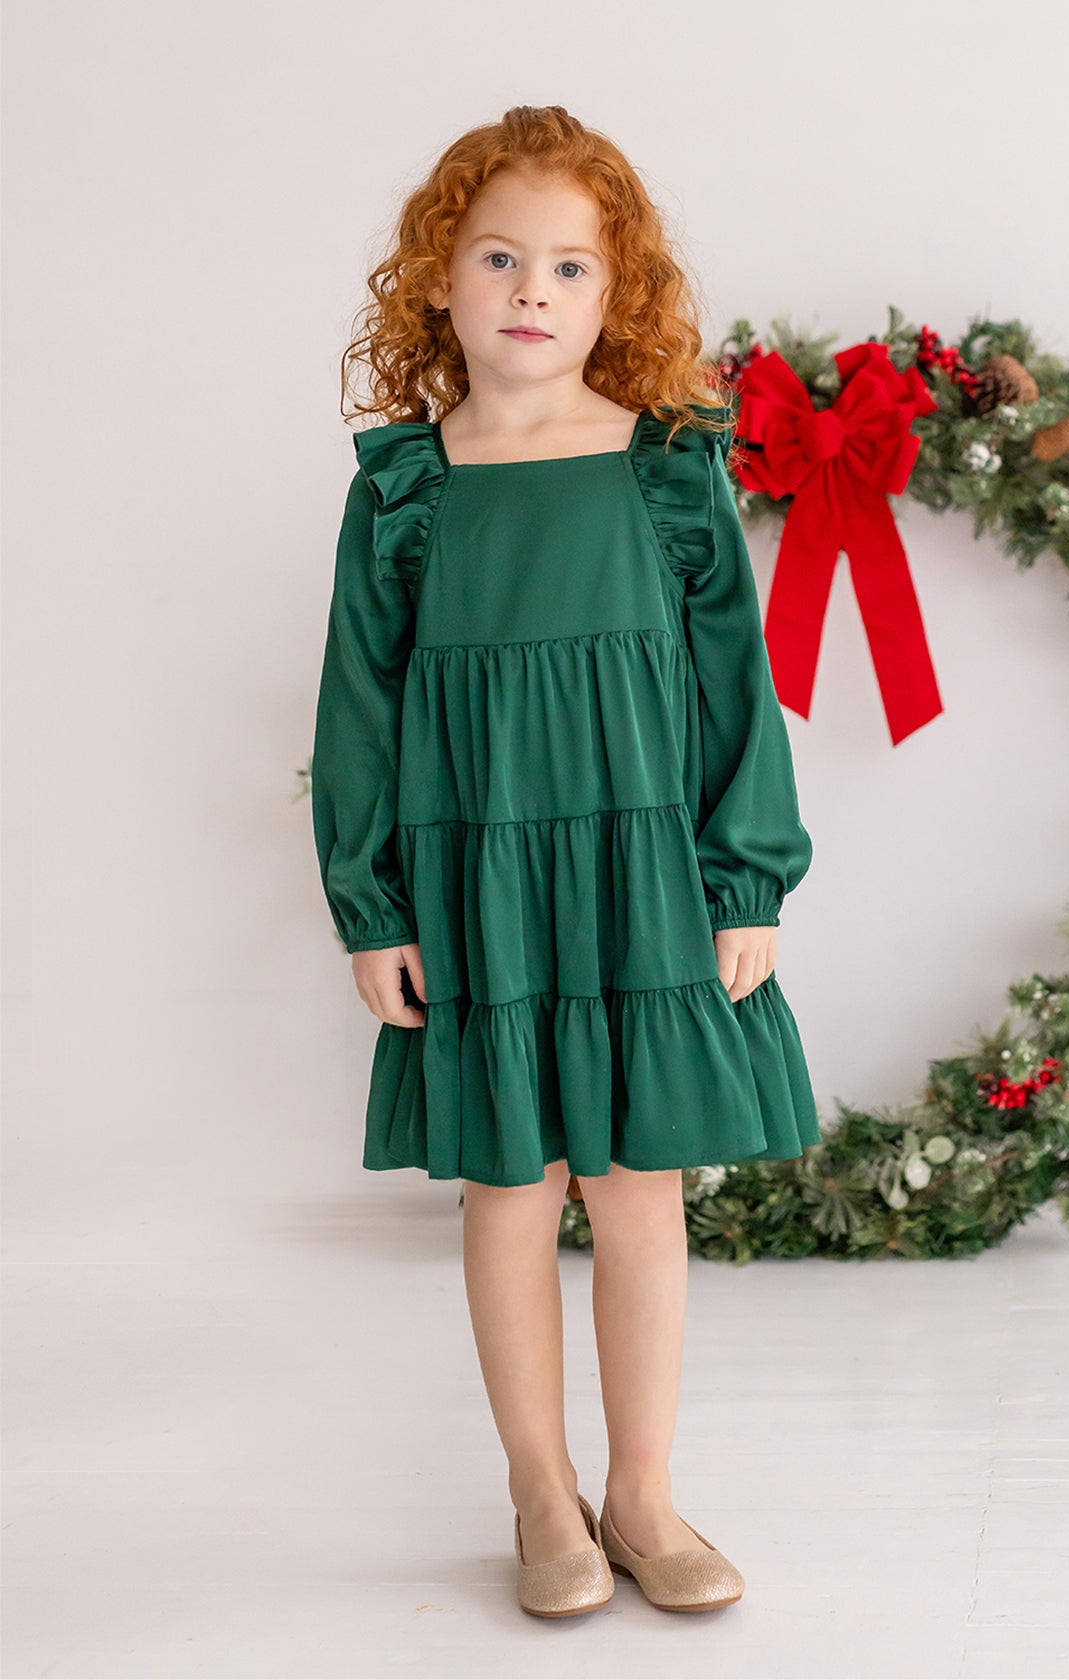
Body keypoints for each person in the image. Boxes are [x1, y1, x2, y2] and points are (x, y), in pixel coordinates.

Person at [310, 104, 821, 1617]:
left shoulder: (665, 472)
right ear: (442, 282)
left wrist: (747, 877)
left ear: (618, 295)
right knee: (510, 1187)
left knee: (639, 1180)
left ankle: (642, 1492)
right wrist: (371, 904)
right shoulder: (408, 489)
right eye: (501, 256)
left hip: (639, 866)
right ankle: (541, 1491)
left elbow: (740, 684)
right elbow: (359, 701)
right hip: (479, 884)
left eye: (573, 266)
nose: (535, 289)